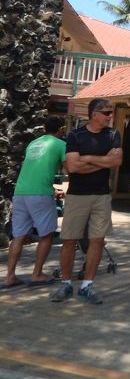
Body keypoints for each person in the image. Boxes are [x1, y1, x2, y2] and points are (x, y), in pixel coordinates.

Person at [50, 98, 122, 305]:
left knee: (97, 240)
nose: (110, 116)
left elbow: (117, 161)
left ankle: (87, 286)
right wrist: (103, 161)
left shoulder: (113, 135)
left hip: (102, 196)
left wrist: (87, 159)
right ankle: (66, 283)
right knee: (69, 240)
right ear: (94, 114)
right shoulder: (75, 135)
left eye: (111, 112)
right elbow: (72, 167)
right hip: (77, 195)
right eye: (106, 113)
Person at [2, 116, 67, 289]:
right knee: (47, 234)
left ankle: (9, 277)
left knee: (19, 235)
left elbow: (36, 169)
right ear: (61, 129)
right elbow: (70, 168)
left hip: (21, 192)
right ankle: (37, 274)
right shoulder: (61, 144)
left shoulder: (33, 143)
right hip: (40, 194)